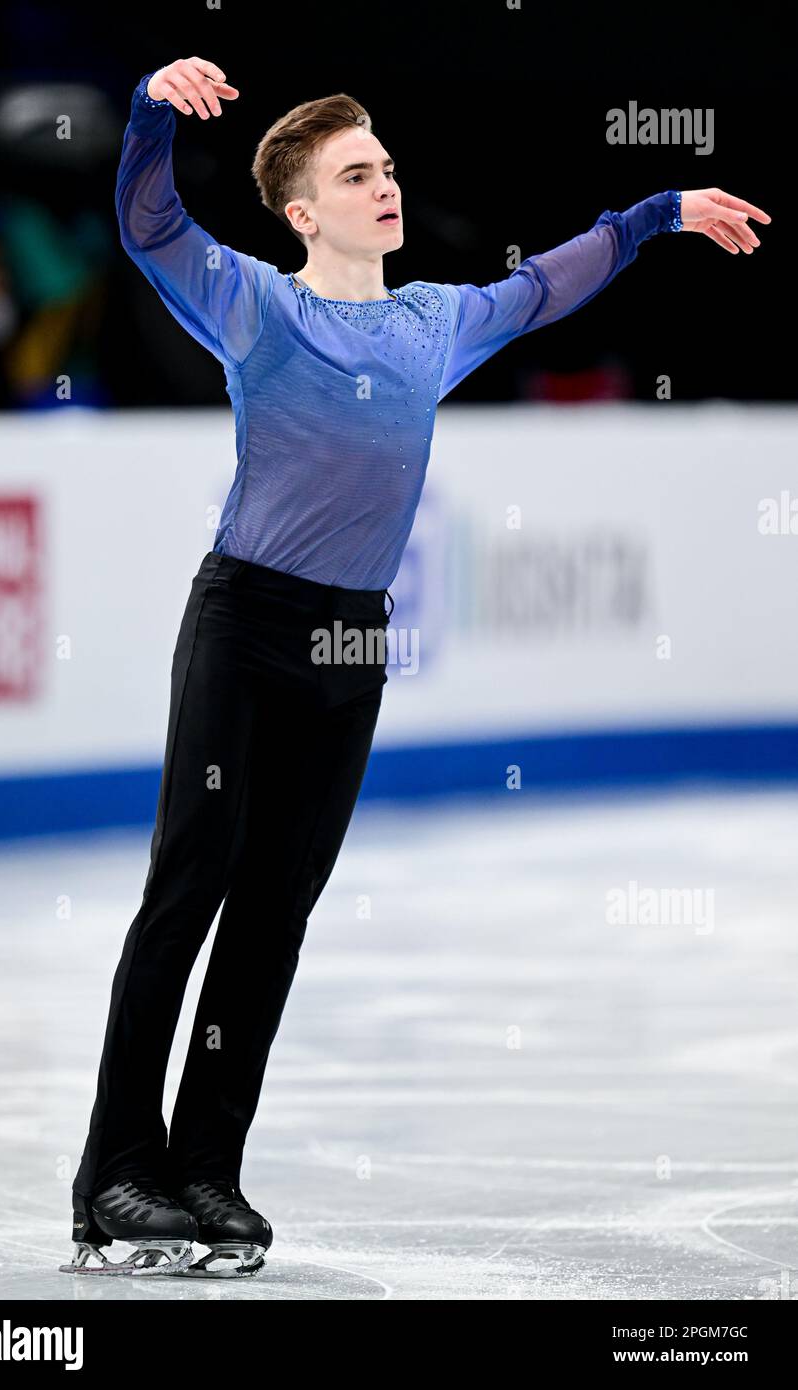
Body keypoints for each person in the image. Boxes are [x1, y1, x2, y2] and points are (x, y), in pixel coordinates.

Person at [61, 55, 770, 1278]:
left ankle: (206, 1168)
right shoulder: (252, 306)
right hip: (244, 627)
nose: (383, 185)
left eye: (384, 166)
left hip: (351, 647)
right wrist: (145, 115)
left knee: (274, 916)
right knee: (190, 889)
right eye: (354, 174)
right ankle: (115, 1173)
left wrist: (655, 216)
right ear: (300, 211)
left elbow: (550, 282)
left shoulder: (433, 318)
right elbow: (149, 224)